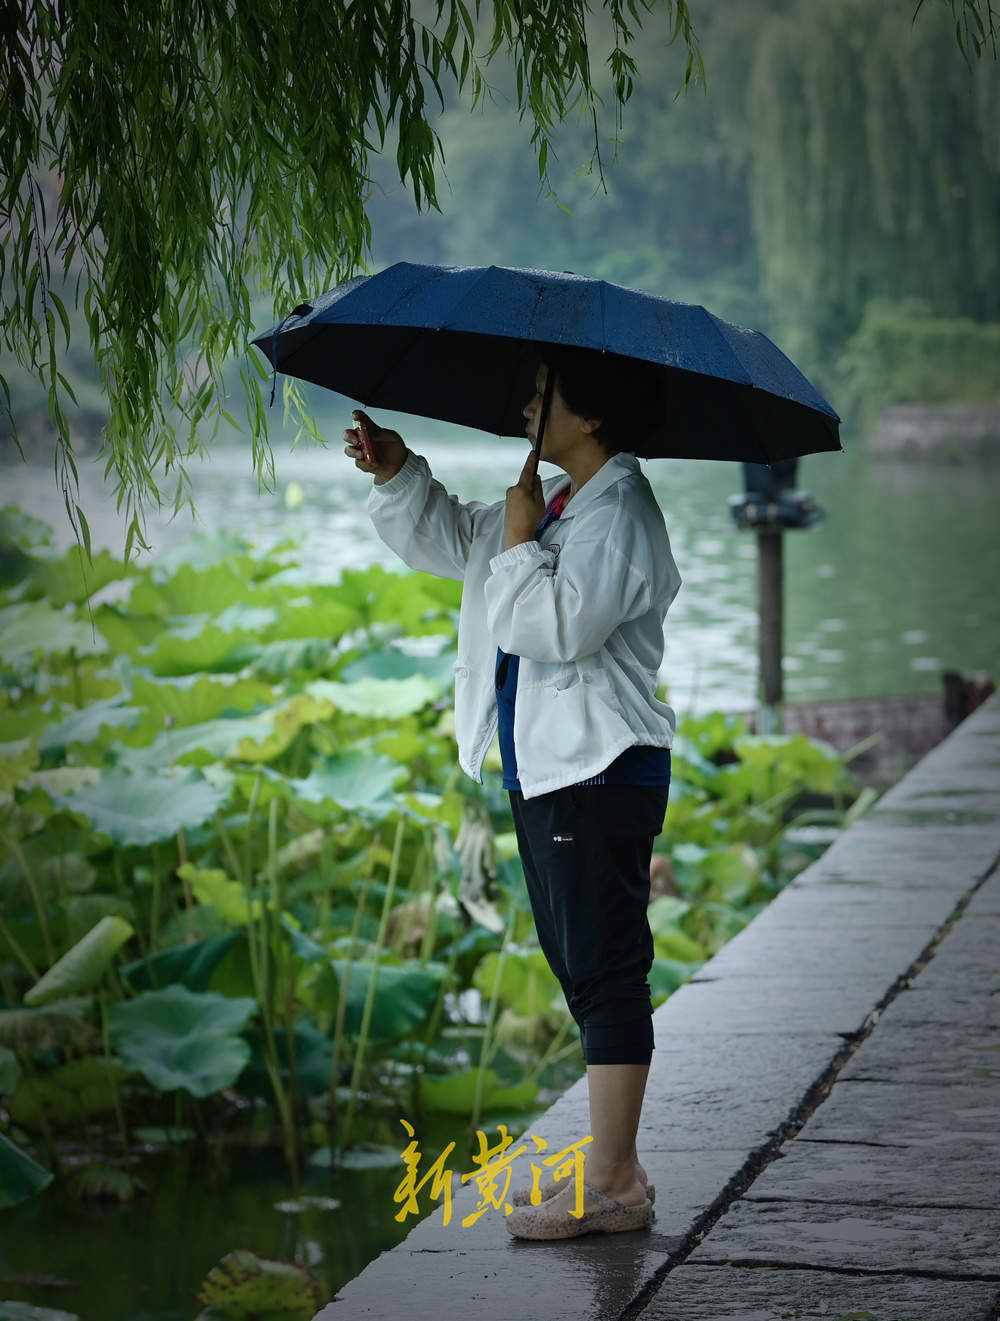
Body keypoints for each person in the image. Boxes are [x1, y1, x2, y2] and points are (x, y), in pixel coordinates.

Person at [343, 346, 682, 1239]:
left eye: (547, 392)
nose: (530, 401)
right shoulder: (564, 500)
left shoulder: (620, 512)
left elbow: (553, 624)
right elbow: (466, 544)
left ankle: (612, 1183)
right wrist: (401, 474)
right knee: (583, 966)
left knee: (607, 969)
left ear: (593, 416)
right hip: (553, 765)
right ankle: (622, 1169)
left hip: (599, 765)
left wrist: (523, 540)